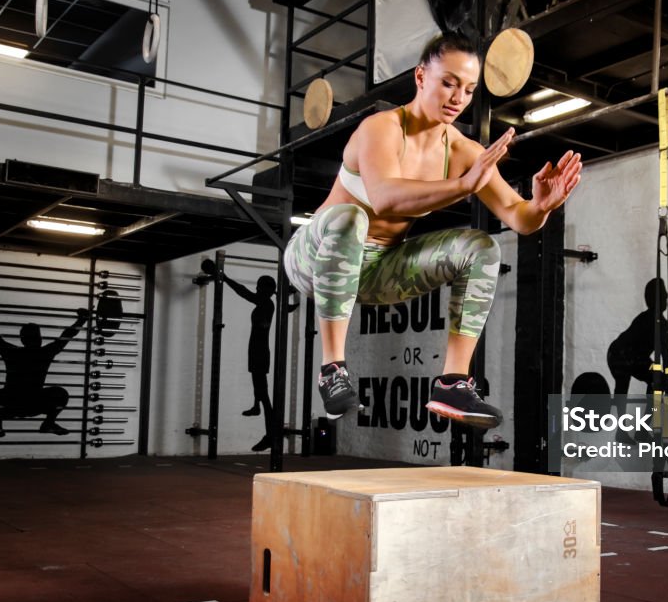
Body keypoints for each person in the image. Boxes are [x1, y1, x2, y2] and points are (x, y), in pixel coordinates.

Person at [283, 32, 582, 429]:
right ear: (421, 77)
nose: (458, 98)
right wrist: (463, 185)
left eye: (469, 89)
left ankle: (453, 382)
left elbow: (519, 217)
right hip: (314, 259)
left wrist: (542, 206)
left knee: (482, 247)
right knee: (351, 218)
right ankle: (332, 371)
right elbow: (386, 198)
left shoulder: (462, 151)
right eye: (449, 83)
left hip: (378, 271)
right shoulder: (382, 129)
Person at [0, 301, 89, 442]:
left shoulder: (12, 352)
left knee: (0, 395)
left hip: (15, 405)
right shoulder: (44, 352)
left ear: (22, 339)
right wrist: (82, 319)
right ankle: (46, 423)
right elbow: (66, 336)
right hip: (30, 404)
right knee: (60, 393)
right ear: (39, 338)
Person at [220, 272, 278, 452]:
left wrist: (226, 278)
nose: (256, 289)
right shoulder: (266, 303)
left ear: (264, 290)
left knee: (265, 397)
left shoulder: (266, 303)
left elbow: (243, 292)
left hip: (260, 353)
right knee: (259, 389)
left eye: (259, 287)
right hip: (256, 351)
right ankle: (255, 406)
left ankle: (270, 436)